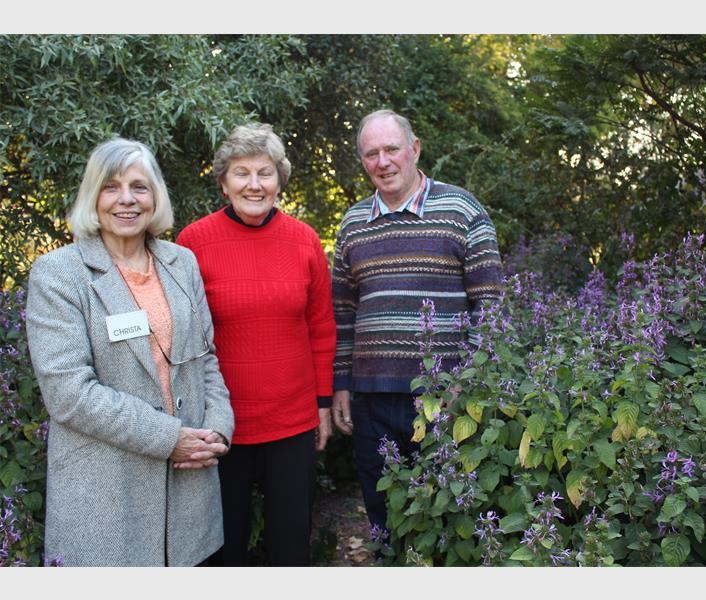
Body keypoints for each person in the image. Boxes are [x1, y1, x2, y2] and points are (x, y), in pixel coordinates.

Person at [25, 138, 234, 567]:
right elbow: (69, 393)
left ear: (155, 196)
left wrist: (218, 428)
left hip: (189, 489)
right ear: (93, 196)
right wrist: (169, 439)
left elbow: (206, 357)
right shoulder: (59, 274)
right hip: (106, 494)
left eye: (139, 186)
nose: (127, 199)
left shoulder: (181, 263)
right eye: (111, 187)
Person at [331, 109, 504, 532]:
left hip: (445, 398)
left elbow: (491, 307)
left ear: (415, 149)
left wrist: (464, 385)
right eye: (371, 154)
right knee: (384, 519)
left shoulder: (462, 210)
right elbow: (343, 313)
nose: (382, 162)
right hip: (371, 400)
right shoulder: (353, 224)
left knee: (447, 522)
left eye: (391, 149)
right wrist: (341, 385)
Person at [176, 123, 336, 566]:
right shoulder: (192, 243)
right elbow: (179, 334)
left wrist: (322, 404)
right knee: (222, 548)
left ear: (279, 181)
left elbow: (321, 327)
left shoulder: (304, 240)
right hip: (218, 424)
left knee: (291, 546)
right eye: (241, 173)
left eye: (265, 173)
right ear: (223, 183)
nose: (254, 184)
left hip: (292, 421)